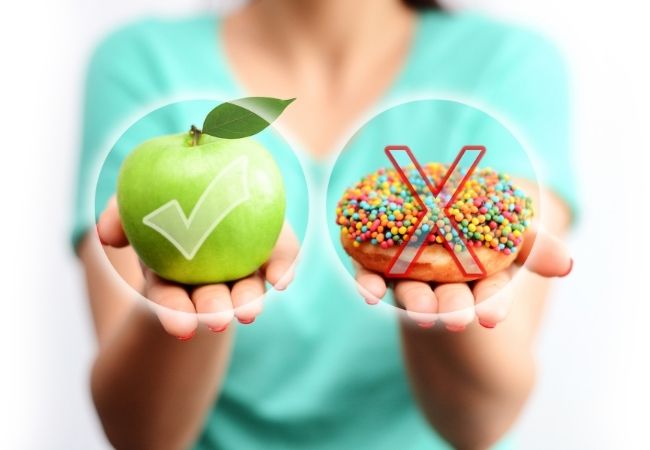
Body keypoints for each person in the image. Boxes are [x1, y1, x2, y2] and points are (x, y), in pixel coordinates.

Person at [73, 0, 575, 449]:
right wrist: (197, 267)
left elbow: (481, 423)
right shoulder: (144, 64)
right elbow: (140, 436)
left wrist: (433, 286)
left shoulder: (506, 65)